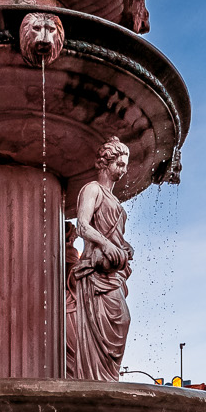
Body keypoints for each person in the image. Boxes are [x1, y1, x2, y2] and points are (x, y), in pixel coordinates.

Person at [66, 138, 134, 380]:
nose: (124, 170)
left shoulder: (115, 201)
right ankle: (94, 379)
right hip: (95, 274)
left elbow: (116, 236)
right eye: (120, 164)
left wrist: (125, 248)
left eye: (125, 165)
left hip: (112, 273)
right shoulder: (92, 190)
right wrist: (106, 244)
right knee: (113, 322)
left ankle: (108, 377)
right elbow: (83, 226)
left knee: (122, 321)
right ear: (107, 163)